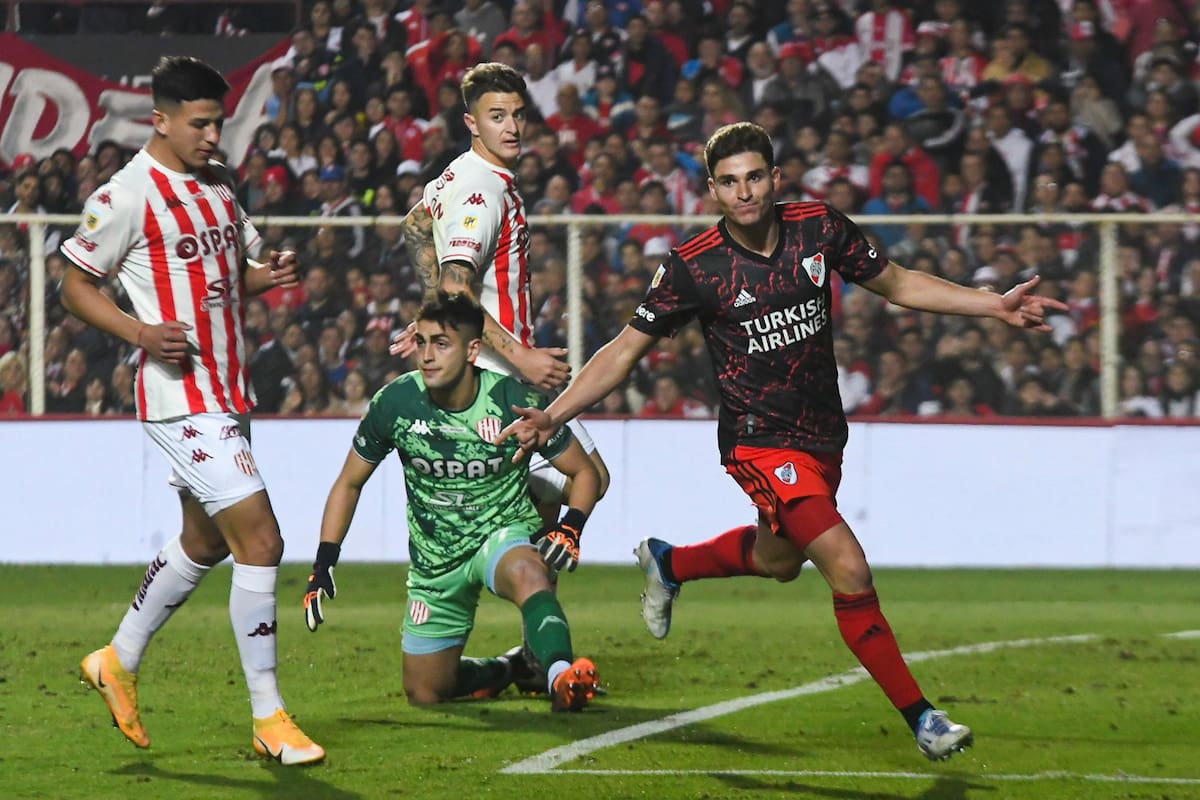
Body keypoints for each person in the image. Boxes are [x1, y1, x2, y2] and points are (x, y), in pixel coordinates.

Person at [498, 122, 1069, 762]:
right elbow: (625, 351)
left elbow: (900, 282)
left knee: (779, 561)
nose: (744, 193)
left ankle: (670, 562)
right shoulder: (694, 267)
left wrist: (992, 306)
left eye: (754, 178)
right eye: (729, 182)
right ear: (712, 189)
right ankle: (923, 716)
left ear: (775, 178)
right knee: (847, 568)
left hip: (824, 436)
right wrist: (554, 413)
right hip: (760, 441)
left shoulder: (818, 228)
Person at [60, 56, 324, 765]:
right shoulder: (126, 195)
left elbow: (229, 275)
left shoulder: (217, 185)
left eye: (220, 123)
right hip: (181, 400)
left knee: (206, 543)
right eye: (201, 124)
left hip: (229, 392)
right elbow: (74, 287)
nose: (214, 136)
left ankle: (118, 658)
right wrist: (140, 332)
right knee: (261, 541)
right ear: (162, 120)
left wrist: (270, 277)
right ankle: (269, 716)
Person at [390, 62, 612, 690]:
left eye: (518, 113)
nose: (513, 125)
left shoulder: (456, 176)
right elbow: (461, 285)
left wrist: (429, 313)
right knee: (586, 483)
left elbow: (414, 228)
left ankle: (534, 638)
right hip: (497, 380)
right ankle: (540, 641)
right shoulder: (484, 191)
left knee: (555, 498)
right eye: (497, 115)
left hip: (484, 372)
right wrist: (520, 357)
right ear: (471, 122)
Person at [303, 291, 601, 710]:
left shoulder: (512, 401)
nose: (427, 355)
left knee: (530, 573)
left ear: (472, 350)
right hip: (434, 562)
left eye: (441, 343)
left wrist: (571, 527)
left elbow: (585, 472)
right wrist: (323, 562)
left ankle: (559, 677)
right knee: (425, 693)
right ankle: (510, 669)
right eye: (421, 342)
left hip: (502, 533)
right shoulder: (396, 403)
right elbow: (349, 482)